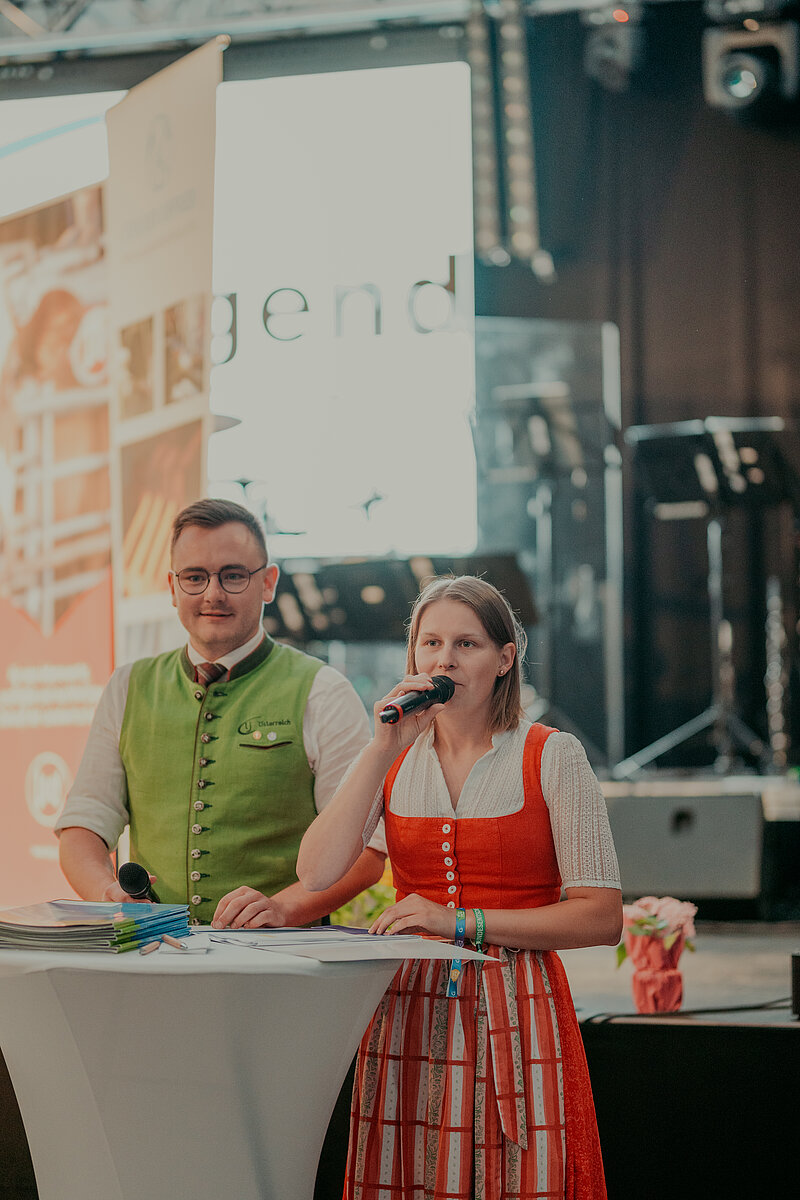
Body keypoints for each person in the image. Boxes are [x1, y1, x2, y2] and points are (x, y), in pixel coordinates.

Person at [297, 575, 622, 1200]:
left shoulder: (552, 755)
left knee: (516, 1179)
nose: (444, 660)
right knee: (407, 1173)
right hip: (410, 1003)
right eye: (431, 643)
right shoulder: (393, 757)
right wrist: (380, 748)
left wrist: (461, 921)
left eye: (466, 644)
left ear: (505, 659)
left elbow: (602, 917)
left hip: (517, 1003)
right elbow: (316, 872)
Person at [56, 497, 385, 928]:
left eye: (233, 576)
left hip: (284, 960)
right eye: (195, 577)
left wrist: (282, 909)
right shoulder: (127, 687)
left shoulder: (323, 691)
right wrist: (107, 893)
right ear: (172, 587)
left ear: (267, 583)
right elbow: (82, 828)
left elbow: (365, 852)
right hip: (157, 954)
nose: (213, 594)